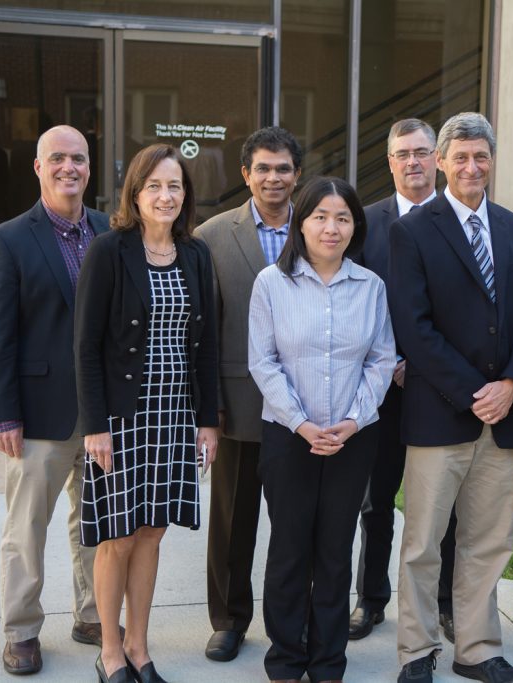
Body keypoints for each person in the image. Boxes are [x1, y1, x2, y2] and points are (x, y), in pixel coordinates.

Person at [391, 112, 513, 683]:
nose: (472, 166)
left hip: (503, 417)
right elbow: (414, 325)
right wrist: (472, 391)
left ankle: (477, 647)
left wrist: (511, 385)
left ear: (491, 160)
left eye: (481, 156)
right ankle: (417, 652)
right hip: (439, 415)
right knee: (423, 546)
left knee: (488, 542)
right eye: (460, 157)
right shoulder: (412, 230)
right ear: (441, 162)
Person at [75, 143, 220, 683]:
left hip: (175, 416)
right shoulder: (109, 251)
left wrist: (208, 420)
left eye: (175, 186)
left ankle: (139, 646)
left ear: (186, 195)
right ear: (135, 194)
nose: (166, 196)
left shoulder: (196, 254)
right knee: (118, 535)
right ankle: (110, 650)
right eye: (155, 186)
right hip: (120, 418)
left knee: (153, 531)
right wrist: (95, 427)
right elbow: (85, 346)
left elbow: (205, 345)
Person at [249, 175, 394, 683]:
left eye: (342, 218)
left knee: (335, 549)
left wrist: (353, 420)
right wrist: (304, 424)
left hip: (354, 440)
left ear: (355, 226)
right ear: (300, 221)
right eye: (320, 216)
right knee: (290, 548)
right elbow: (263, 363)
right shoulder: (272, 282)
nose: (331, 228)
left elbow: (381, 361)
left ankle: (328, 660)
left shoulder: (370, 286)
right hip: (289, 438)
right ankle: (287, 658)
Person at [0, 124, 109, 676]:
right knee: (26, 529)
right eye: (57, 159)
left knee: (96, 522)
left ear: (88, 166)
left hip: (101, 413)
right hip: (36, 415)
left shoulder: (108, 230)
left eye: (77, 159)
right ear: (37, 167)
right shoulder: (8, 239)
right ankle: (22, 630)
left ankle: (91, 613)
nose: (68, 168)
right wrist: (3, 412)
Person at [195, 126, 303, 662]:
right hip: (238, 406)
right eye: (263, 168)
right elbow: (204, 331)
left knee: (294, 523)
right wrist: (208, 409)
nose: (273, 177)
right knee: (233, 524)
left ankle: (290, 623)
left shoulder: (320, 229)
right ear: (245, 175)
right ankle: (230, 619)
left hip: (305, 409)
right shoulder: (213, 235)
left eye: (283, 168)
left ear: (297, 175)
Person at [350, 118, 459, 643]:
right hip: (379, 389)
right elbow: (352, 299)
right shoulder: (364, 223)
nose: (413, 162)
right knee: (376, 500)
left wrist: (423, 361)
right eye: (402, 154)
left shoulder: (459, 218)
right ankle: (371, 599)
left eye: (421, 152)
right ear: (389, 162)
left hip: (439, 386)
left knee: (444, 504)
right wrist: (382, 362)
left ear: (436, 158)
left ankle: (445, 602)